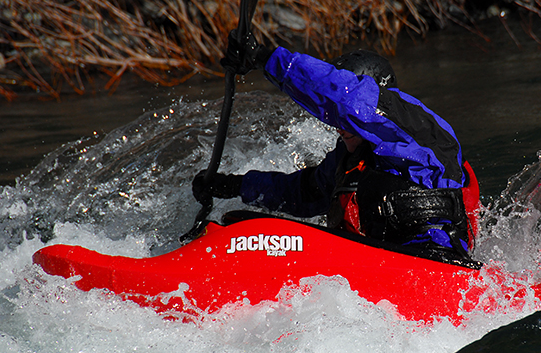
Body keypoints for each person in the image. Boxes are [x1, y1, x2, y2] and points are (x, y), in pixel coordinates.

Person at [193, 33, 480, 264]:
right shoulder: (349, 160)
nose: (338, 126)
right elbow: (303, 192)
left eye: (344, 120)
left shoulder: (419, 129)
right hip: (377, 268)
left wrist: (264, 58)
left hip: (437, 263)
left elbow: (344, 98)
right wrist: (236, 186)